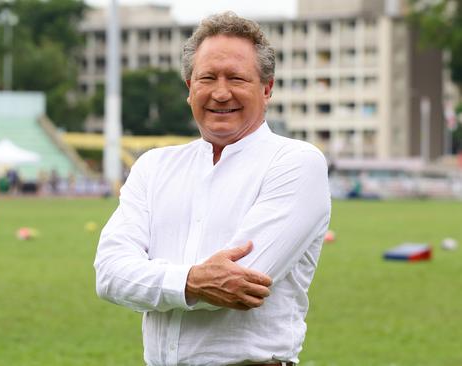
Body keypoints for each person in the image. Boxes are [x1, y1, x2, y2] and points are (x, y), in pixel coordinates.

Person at [94, 12, 331, 366]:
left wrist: (154, 276)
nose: (221, 93)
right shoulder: (153, 166)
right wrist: (191, 280)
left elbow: (241, 285)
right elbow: (109, 274)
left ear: (267, 88)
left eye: (236, 78)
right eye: (208, 78)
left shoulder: (295, 163)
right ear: (190, 87)